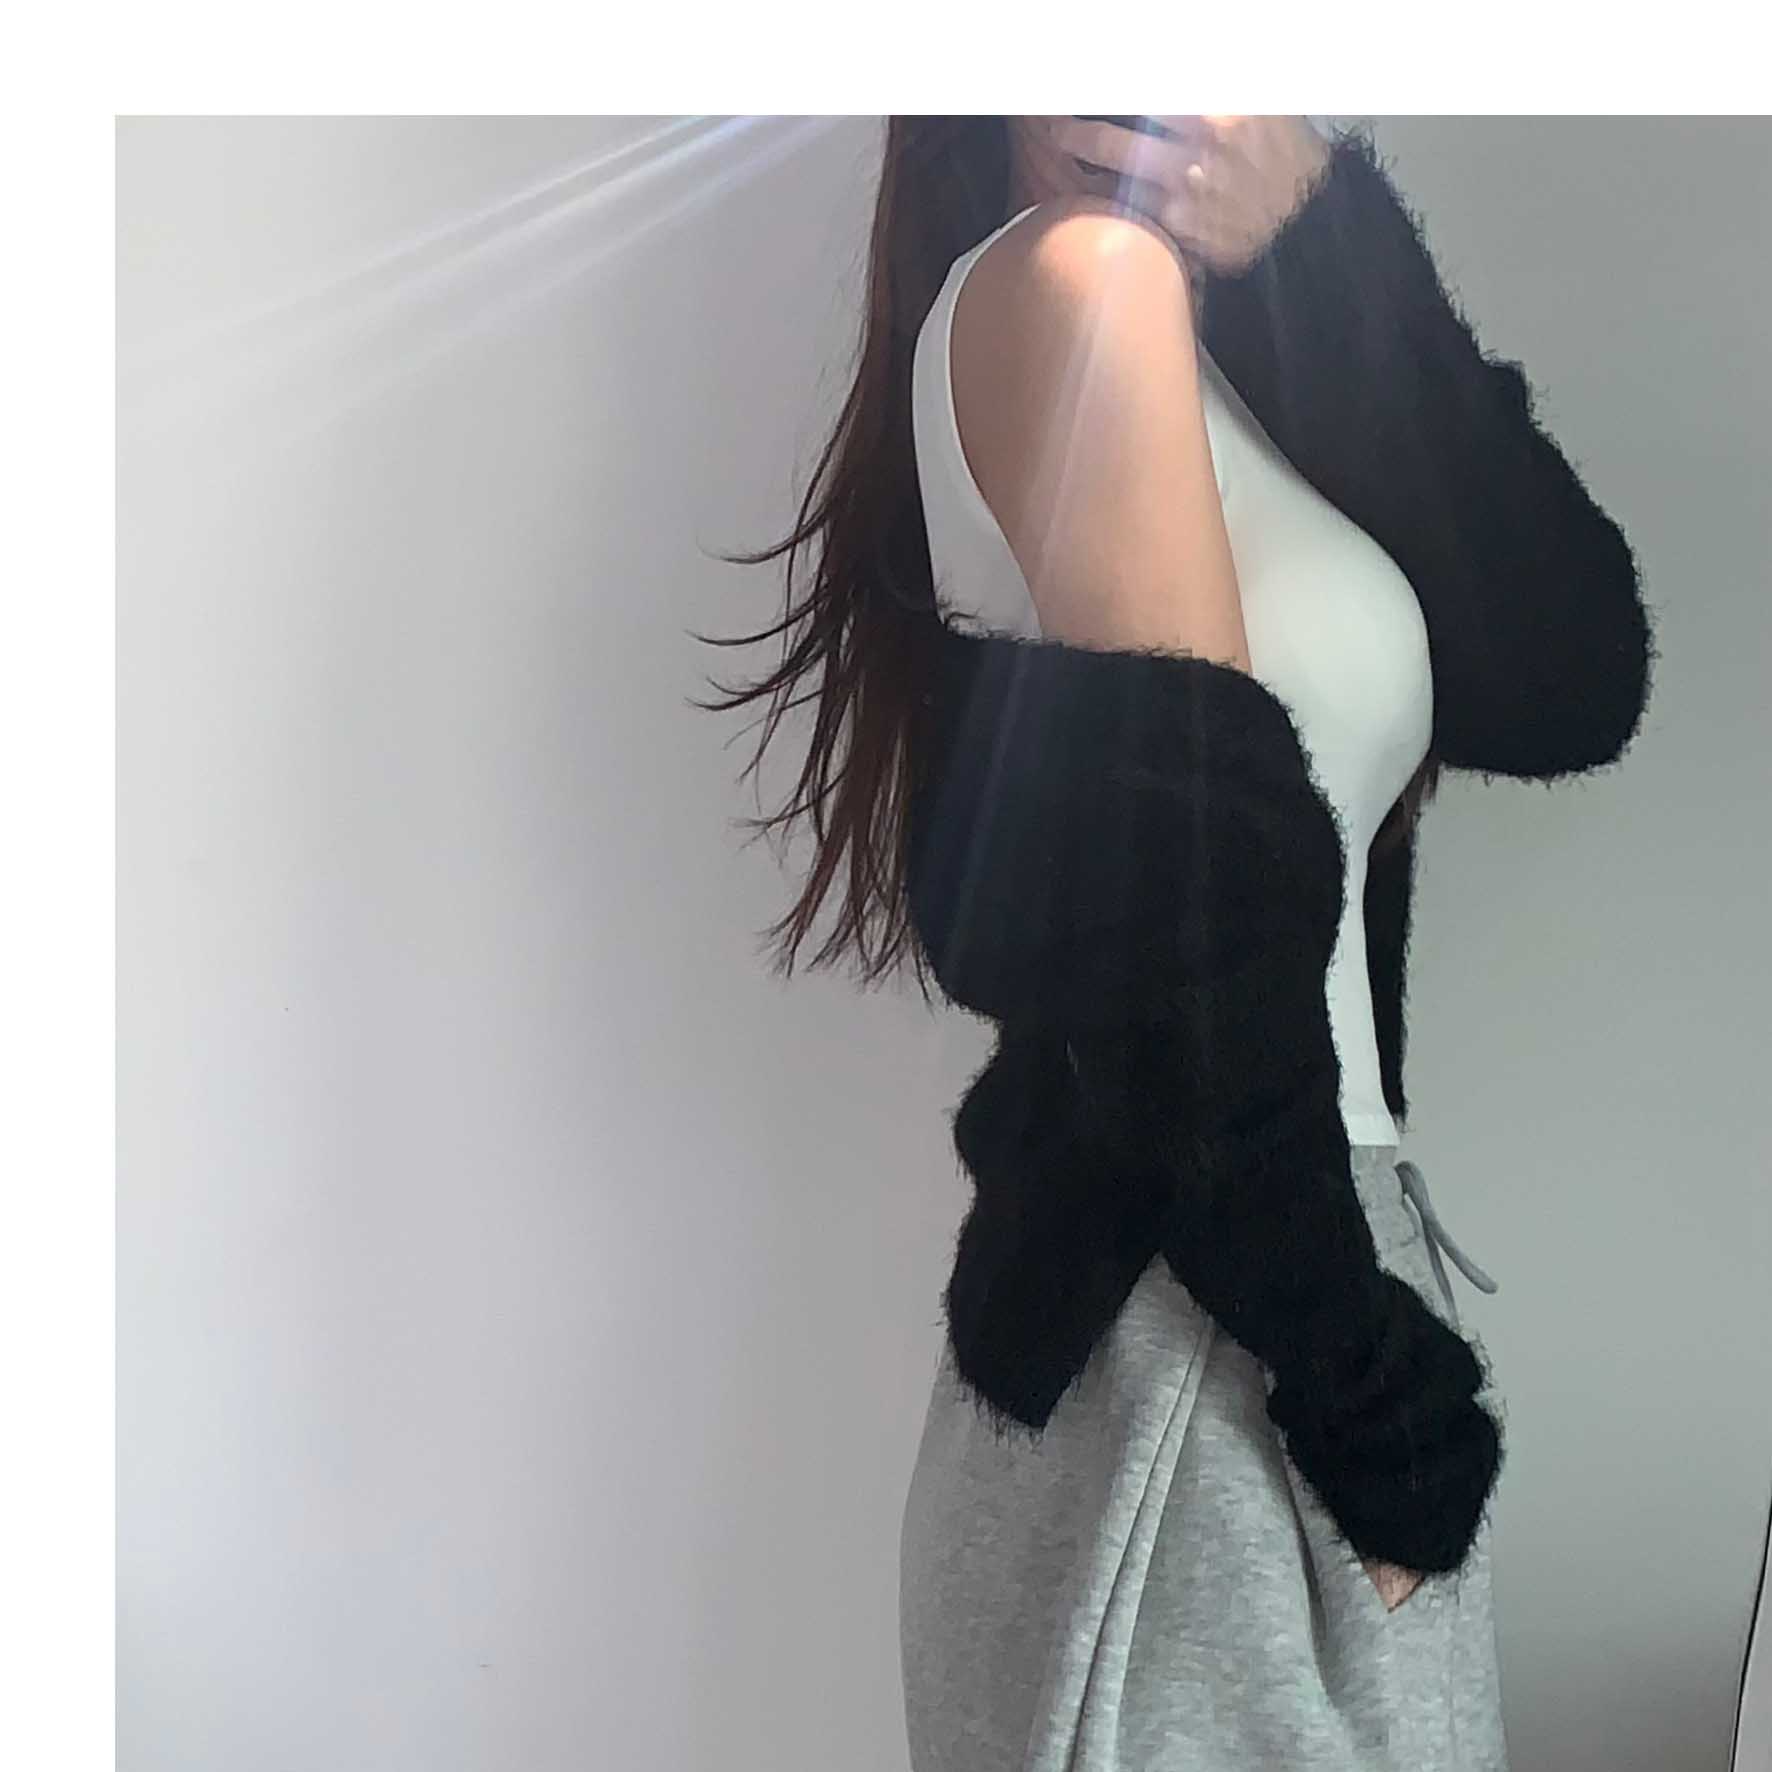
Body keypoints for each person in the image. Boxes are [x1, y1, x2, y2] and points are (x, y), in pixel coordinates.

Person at [701, 115, 1654, 1772]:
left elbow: (1570, 674)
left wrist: (1325, 243)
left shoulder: (1233, 350)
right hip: (1229, 1316)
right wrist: (1373, 1409)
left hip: (1278, 1291)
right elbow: (1193, 923)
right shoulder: (1082, 288)